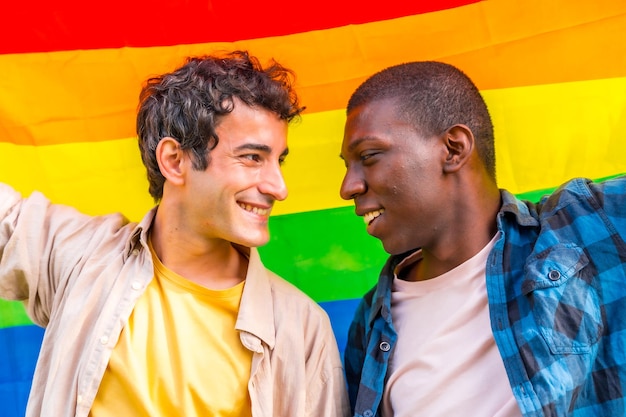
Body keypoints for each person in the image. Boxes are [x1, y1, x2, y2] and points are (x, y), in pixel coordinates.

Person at [0, 50, 350, 417]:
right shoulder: (81, 256)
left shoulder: (303, 330)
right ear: (174, 160)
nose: (279, 188)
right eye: (251, 157)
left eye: (278, 161)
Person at [339, 60, 626, 417]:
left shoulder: (582, 225)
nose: (347, 187)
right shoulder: (371, 322)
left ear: (453, 149)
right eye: (347, 166)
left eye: (368, 156)